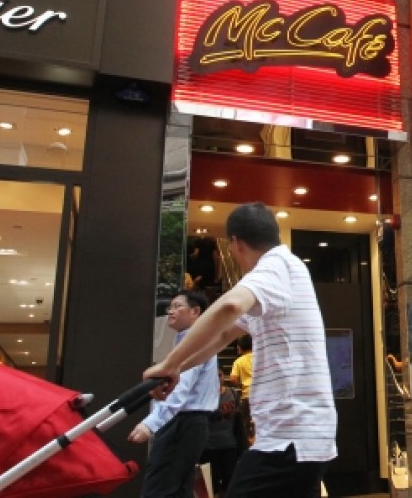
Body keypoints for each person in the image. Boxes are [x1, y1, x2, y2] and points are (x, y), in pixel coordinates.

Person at [143, 202, 336, 498]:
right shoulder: (283, 273)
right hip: (300, 434)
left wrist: (169, 362)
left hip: (290, 435)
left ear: (236, 243)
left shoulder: (276, 265)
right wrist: (176, 371)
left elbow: (231, 305)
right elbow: (222, 335)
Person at [128, 290, 219, 498]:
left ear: (196, 312)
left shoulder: (195, 342)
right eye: (170, 307)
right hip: (188, 423)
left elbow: (180, 391)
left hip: (183, 423)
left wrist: (150, 424)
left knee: (160, 488)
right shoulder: (189, 340)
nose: (171, 311)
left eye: (178, 306)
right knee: (177, 489)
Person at [200, 368, 239, 498]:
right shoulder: (203, 397)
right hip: (209, 445)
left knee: (230, 480)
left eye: (220, 375)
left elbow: (237, 419)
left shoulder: (232, 393)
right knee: (211, 484)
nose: (217, 379)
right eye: (214, 376)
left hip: (229, 444)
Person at [228, 334, 254, 450]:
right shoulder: (260, 357)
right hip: (263, 393)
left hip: (247, 394)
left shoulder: (239, 361)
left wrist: (241, 383)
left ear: (240, 347)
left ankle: (246, 444)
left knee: (243, 422)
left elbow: (233, 379)